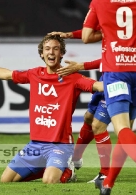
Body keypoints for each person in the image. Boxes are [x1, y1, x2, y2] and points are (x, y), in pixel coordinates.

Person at [0, 34, 104, 184]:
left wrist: (123, 85)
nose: (51, 52)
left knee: (49, 181)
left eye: (55, 49)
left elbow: (97, 86)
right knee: (6, 180)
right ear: (41, 53)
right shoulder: (35, 74)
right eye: (47, 49)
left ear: (62, 53)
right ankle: (51, 168)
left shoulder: (72, 77)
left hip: (60, 145)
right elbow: (7, 75)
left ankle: (67, 170)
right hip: (35, 145)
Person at [82, 0, 136, 195]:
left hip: (116, 71)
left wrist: (107, 32)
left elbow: (86, 36)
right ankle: (108, 184)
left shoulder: (99, 2)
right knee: (126, 131)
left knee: (122, 129)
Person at [48, 30, 112, 183]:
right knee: (89, 118)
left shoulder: (122, 30)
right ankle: (76, 158)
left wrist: (81, 66)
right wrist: (70, 35)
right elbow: (91, 35)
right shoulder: (112, 24)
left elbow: (113, 60)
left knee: (99, 125)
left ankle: (106, 174)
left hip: (119, 77)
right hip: (107, 75)